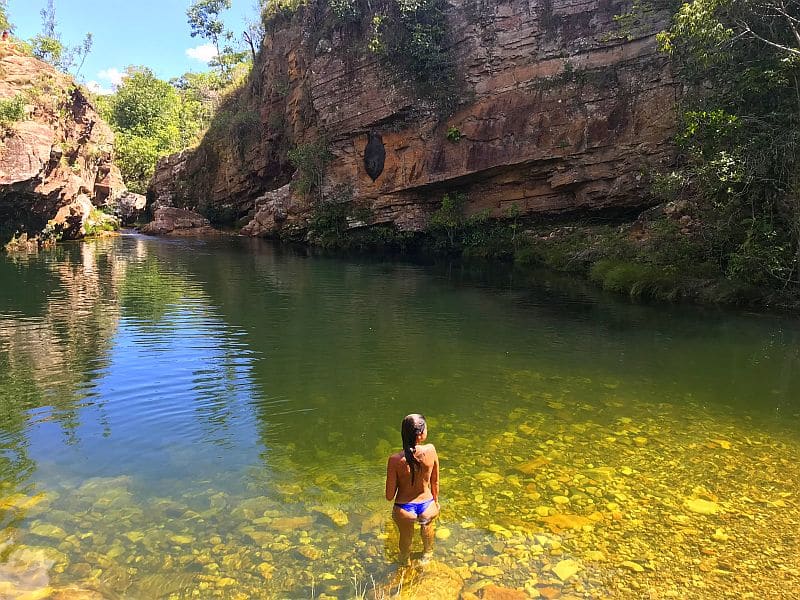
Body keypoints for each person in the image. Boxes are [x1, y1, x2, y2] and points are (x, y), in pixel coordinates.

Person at [385, 413, 440, 565]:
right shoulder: (431, 450)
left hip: (404, 509)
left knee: (406, 536)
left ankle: (405, 560)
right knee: (427, 526)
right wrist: (435, 502)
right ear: (421, 434)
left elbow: (389, 496)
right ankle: (427, 555)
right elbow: (435, 482)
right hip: (427, 505)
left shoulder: (395, 460)